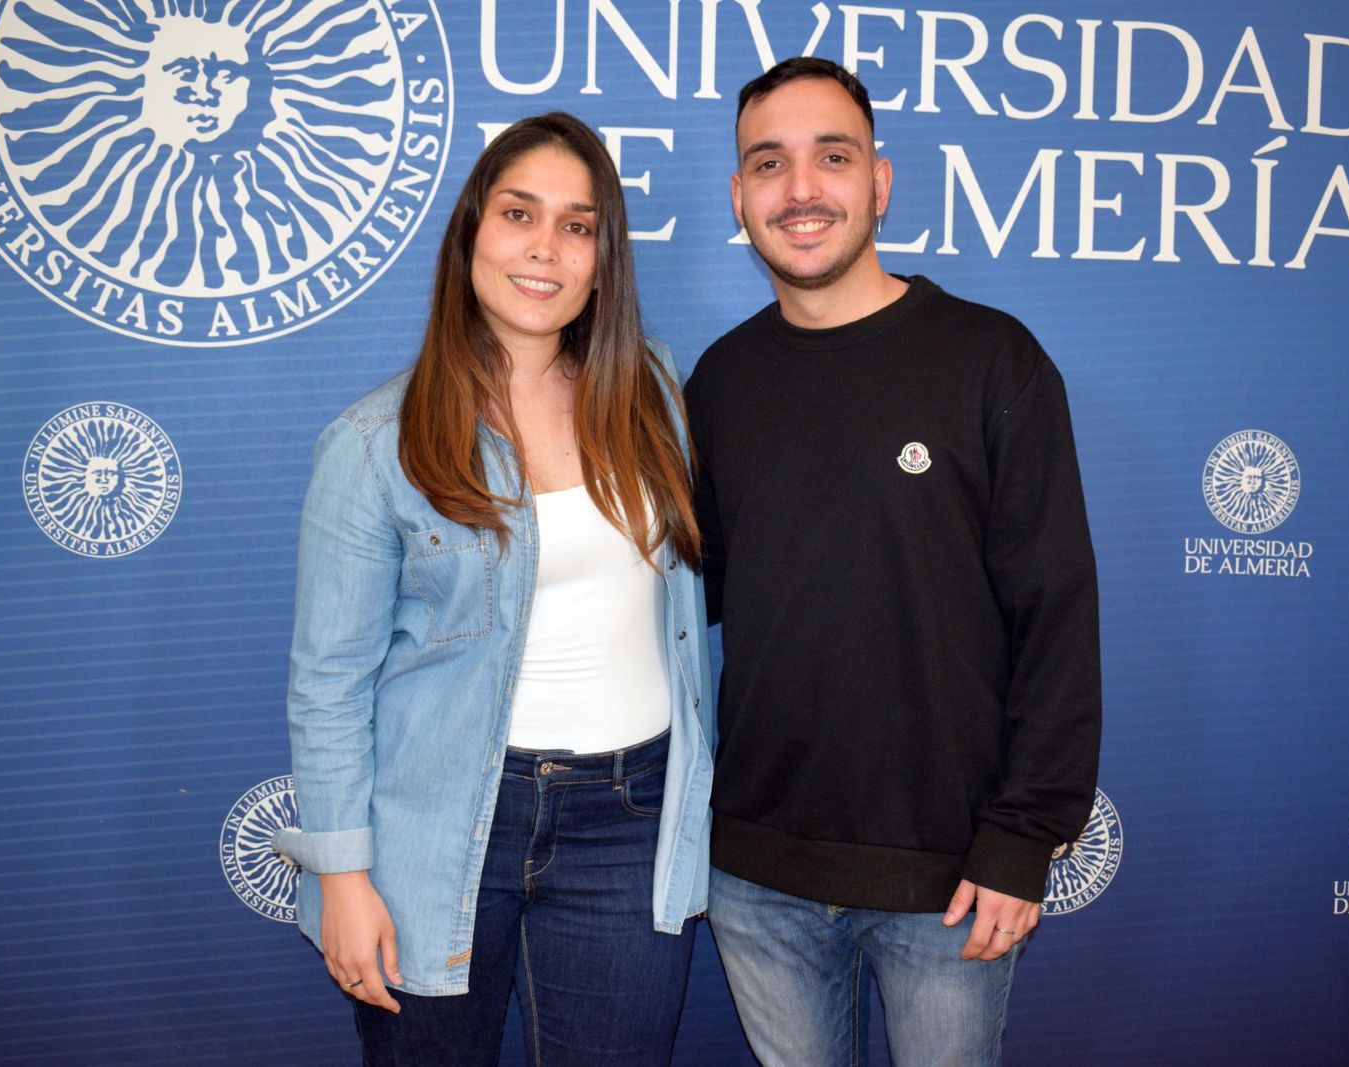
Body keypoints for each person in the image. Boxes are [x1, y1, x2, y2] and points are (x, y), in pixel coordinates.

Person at [683, 58, 1101, 1066]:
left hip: (950, 881)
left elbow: (1056, 612)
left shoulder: (991, 360)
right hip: (756, 876)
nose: (801, 189)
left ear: (879, 179)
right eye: (768, 164)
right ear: (739, 197)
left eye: (832, 156)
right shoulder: (721, 381)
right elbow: (680, 601)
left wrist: (1021, 837)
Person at [275, 112, 713, 1067]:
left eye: (578, 225)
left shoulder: (655, 395)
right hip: (438, 819)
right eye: (520, 214)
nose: (545, 248)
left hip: (631, 815)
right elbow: (329, 679)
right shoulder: (372, 442)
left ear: (605, 258)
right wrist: (343, 877)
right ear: (472, 230)